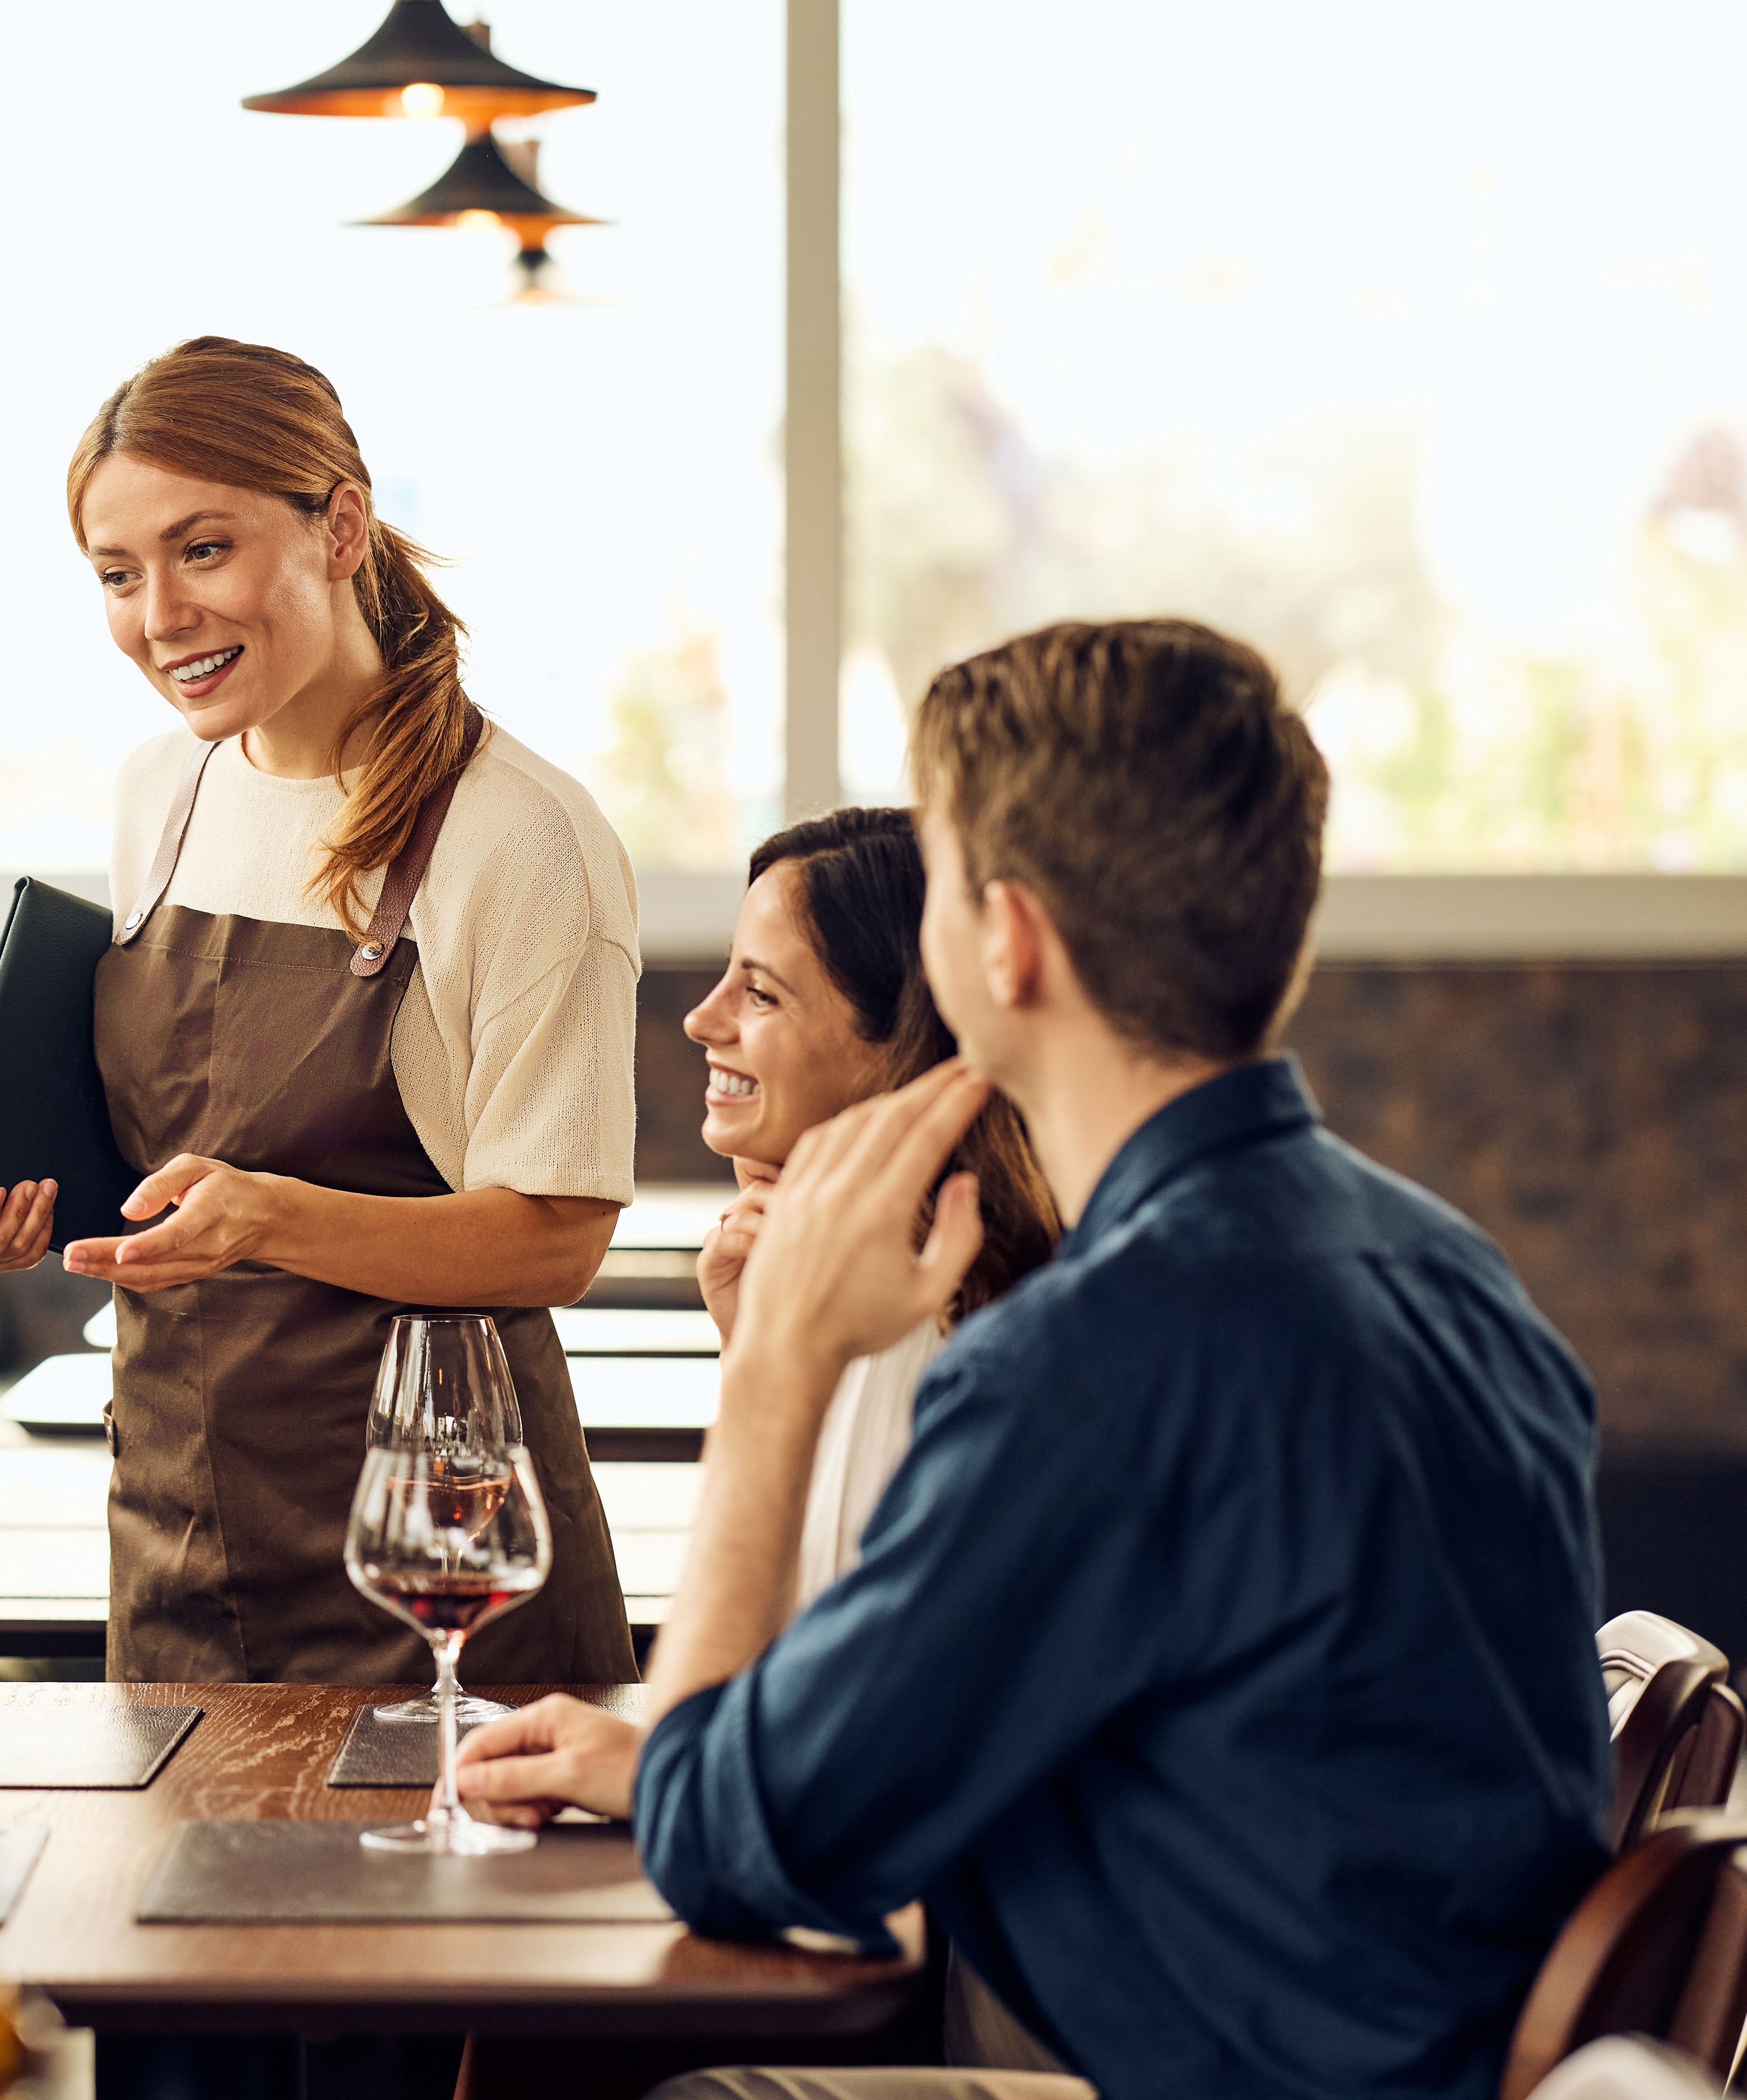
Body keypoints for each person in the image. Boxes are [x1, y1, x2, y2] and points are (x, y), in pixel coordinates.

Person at [455, 620, 1612, 2100]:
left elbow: (726, 1843)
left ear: (999, 941)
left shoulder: (1089, 1359)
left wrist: (767, 1385)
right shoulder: (1452, 1273)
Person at [0, 336, 637, 1687]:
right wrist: (45, 1201)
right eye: (117, 574)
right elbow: (174, 1141)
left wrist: (264, 1216)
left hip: (445, 1559)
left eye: (203, 550)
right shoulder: (164, 792)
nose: (159, 616)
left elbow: (553, 1243)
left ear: (341, 528)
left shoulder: (516, 836)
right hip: (176, 1535)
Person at [682, 808, 1056, 1601]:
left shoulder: (942, 1338)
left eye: (759, 994)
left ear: (906, 1041)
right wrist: (752, 1351)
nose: (700, 1019)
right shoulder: (833, 1287)